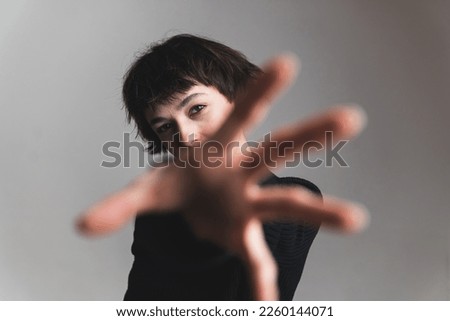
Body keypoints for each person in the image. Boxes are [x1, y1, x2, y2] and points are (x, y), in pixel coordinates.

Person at [77, 34, 368, 301]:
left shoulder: (295, 198)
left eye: (196, 109)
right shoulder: (159, 212)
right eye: (166, 127)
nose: (187, 136)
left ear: (238, 98)